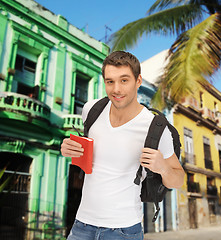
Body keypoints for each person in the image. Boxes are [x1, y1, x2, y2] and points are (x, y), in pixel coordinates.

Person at [61, 51, 185, 240]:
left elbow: (178, 180)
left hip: (123, 231)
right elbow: (91, 157)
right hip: (81, 226)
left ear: (138, 81)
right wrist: (68, 148)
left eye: (124, 80)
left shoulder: (156, 128)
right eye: (110, 81)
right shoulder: (91, 110)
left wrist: (163, 168)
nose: (116, 89)